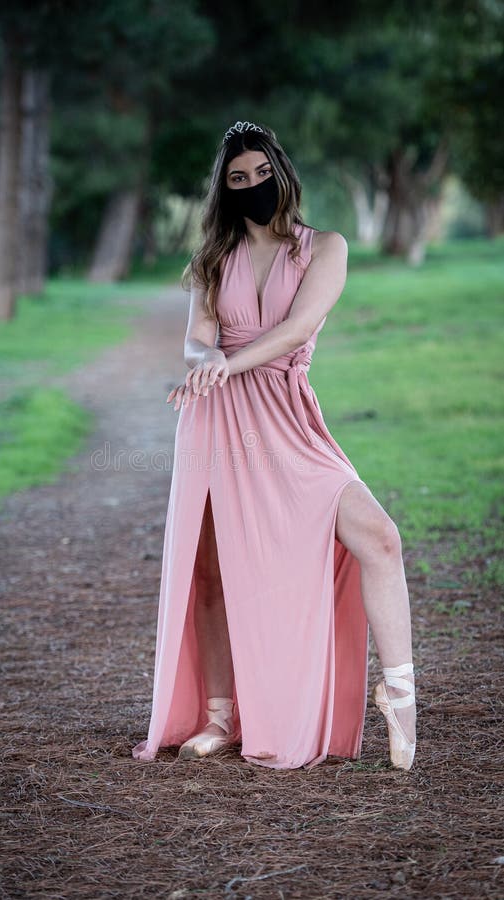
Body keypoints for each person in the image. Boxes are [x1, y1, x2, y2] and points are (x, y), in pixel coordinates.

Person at [132, 120, 416, 772]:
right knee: (209, 573)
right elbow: (197, 337)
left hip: (287, 420)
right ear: (223, 191)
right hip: (216, 420)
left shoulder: (325, 248)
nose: (254, 186)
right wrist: (205, 361)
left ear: (282, 173)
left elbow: (295, 330)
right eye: (238, 179)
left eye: (262, 173)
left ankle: (398, 693)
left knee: (378, 537)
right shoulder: (212, 259)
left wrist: (229, 364)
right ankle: (219, 717)